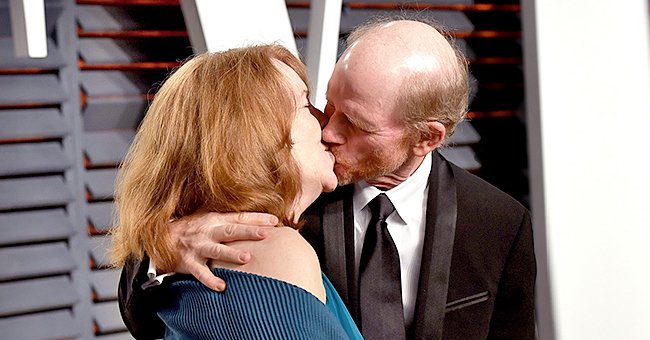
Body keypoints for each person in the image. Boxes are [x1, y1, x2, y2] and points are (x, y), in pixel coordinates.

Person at [119, 18, 536, 340]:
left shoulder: (499, 222)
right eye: (326, 103)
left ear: (426, 137)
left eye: (354, 122)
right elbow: (154, 305)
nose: (328, 128)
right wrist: (162, 252)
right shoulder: (288, 191)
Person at [110, 44, 362, 339]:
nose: (325, 122)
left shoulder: (206, 255)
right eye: (306, 105)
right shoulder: (270, 249)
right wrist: (160, 249)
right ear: (258, 135)